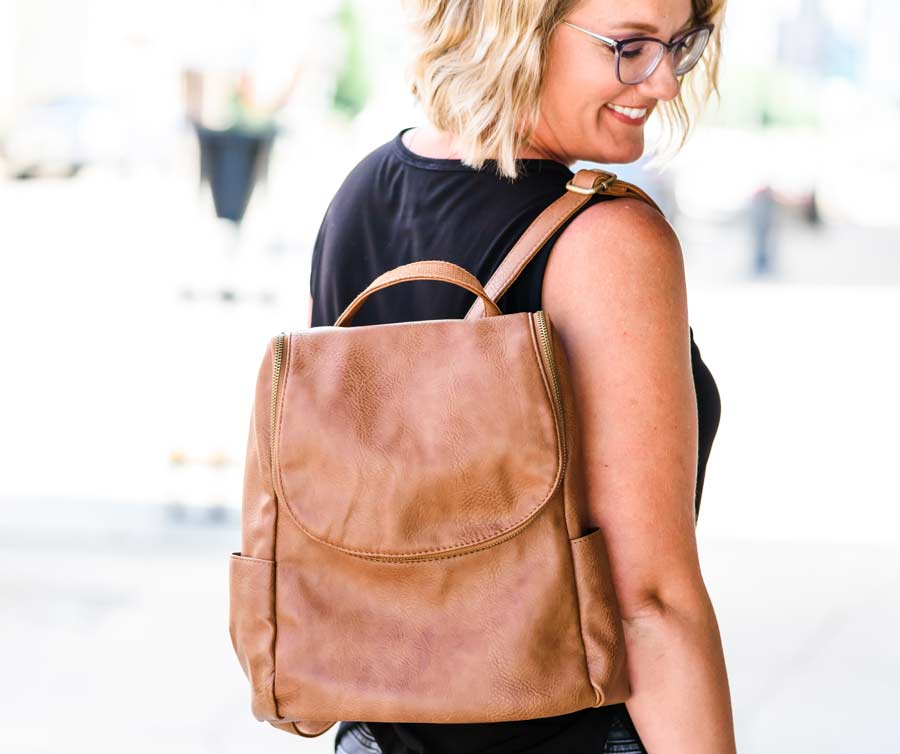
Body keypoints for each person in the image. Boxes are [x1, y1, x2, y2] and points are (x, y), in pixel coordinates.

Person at [308, 0, 735, 752]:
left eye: (680, 44)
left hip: (376, 730)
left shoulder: (363, 195)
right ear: (517, 26)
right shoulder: (607, 241)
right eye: (631, 46)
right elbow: (649, 605)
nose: (666, 82)